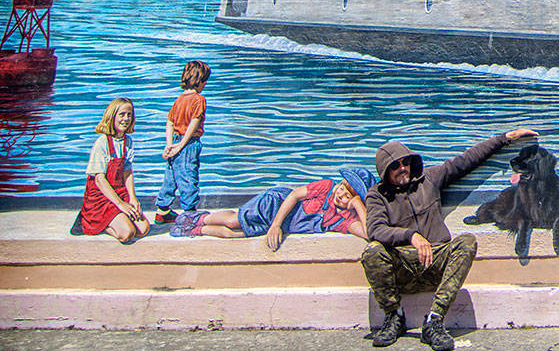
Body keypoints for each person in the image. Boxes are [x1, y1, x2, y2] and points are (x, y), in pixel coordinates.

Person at [362, 127, 538, 351]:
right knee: (373, 251)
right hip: (402, 267)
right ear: (385, 170)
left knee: (466, 242)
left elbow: (465, 161)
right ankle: (394, 317)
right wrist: (410, 236)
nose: (402, 168)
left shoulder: (429, 179)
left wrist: (504, 139)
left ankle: (434, 321)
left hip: (435, 261)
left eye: (405, 162)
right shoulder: (377, 194)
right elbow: (375, 230)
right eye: (395, 166)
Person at [170, 168, 375, 250]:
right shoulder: (326, 187)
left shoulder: (344, 219)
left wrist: (357, 205)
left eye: (348, 196)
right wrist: (276, 225)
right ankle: (198, 218)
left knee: (236, 234)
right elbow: (294, 195)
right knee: (235, 221)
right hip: (276, 205)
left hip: (282, 225)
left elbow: (368, 233)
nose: (340, 194)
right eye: (342, 187)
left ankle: (197, 229)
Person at [79, 98, 151, 243]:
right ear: (112, 116)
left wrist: (132, 198)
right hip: (100, 197)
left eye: (129, 115)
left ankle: (118, 219)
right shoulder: (102, 142)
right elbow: (99, 179)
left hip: (119, 192)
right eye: (122, 114)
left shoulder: (128, 141)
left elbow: (127, 172)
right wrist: (120, 204)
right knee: (127, 233)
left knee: (143, 229)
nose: (126, 119)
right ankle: (103, 226)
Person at [155, 60, 209, 224]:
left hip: (176, 141)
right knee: (188, 176)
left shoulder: (179, 99)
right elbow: (194, 122)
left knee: (171, 177)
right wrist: (181, 145)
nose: (205, 85)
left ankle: (162, 210)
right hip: (188, 143)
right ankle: (190, 214)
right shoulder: (198, 99)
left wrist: (169, 144)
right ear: (199, 81)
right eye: (205, 81)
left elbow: (170, 122)